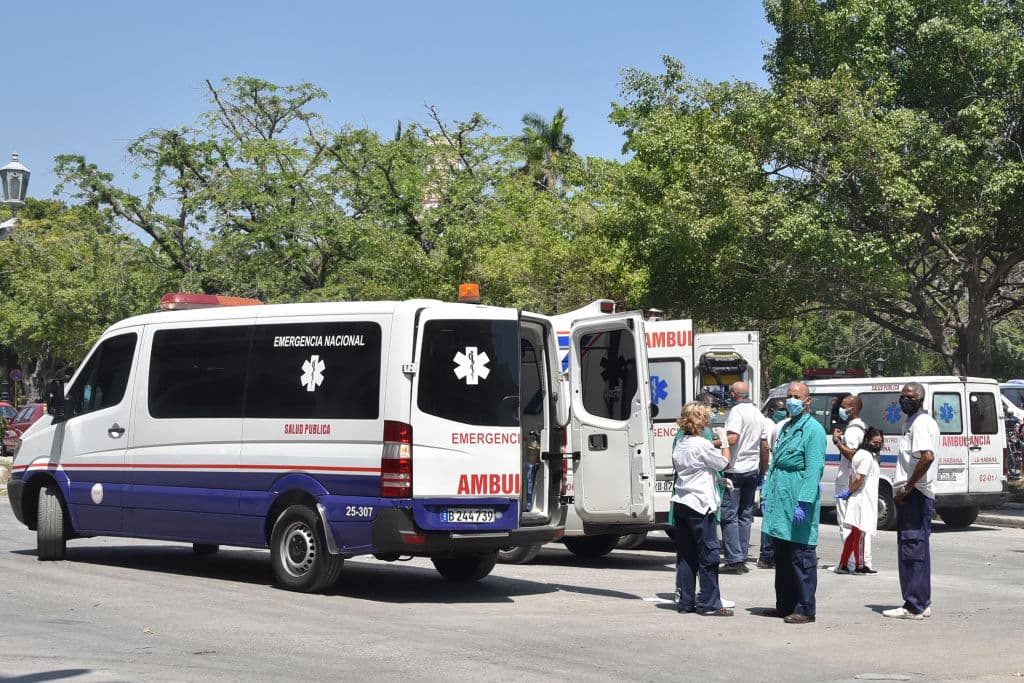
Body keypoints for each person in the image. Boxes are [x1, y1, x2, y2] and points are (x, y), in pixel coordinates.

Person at [761, 381, 826, 624]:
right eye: (789, 396)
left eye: (797, 396)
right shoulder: (787, 427)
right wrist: (766, 491)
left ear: (808, 401)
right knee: (783, 556)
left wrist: (805, 501)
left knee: (801, 556)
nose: (792, 400)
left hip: (798, 496)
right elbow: (775, 462)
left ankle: (805, 607)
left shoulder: (814, 431)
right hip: (780, 496)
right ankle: (784, 604)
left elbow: (814, 468)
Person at [671, 401, 733, 616]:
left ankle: (686, 602)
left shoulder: (681, 443)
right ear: (701, 421)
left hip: (682, 502)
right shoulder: (701, 444)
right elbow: (725, 463)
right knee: (709, 554)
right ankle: (709, 603)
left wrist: (715, 480)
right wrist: (724, 441)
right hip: (700, 505)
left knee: (686, 556)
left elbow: (697, 469)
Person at [883, 381, 939, 620]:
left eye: (910, 396)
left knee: (912, 549)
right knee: (916, 549)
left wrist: (907, 487)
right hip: (915, 493)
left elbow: (926, 457)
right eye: (902, 396)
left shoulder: (921, 423)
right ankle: (921, 602)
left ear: (920, 399)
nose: (904, 400)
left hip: (916, 495)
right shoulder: (912, 422)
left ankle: (913, 605)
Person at [718, 381, 769, 574]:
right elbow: (765, 447)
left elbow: (732, 439)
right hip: (752, 471)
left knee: (729, 515)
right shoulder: (758, 413)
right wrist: (762, 473)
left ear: (732, 394)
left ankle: (734, 560)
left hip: (735, 471)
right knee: (745, 516)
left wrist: (709, 443)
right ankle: (741, 556)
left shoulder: (737, 412)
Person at [828, 427, 882, 574]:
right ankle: (860, 565)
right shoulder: (866, 456)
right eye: (875, 442)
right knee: (860, 534)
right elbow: (859, 478)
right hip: (862, 499)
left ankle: (843, 564)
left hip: (860, 497)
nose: (878, 445)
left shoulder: (863, 454)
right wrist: (850, 491)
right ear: (866, 441)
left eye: (880, 443)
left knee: (853, 535)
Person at [831, 394, 871, 573]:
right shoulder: (861, 427)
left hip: (847, 481)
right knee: (858, 524)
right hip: (852, 482)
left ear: (852, 409)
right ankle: (860, 561)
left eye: (844, 406)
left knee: (846, 522)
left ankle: (851, 562)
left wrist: (838, 442)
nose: (841, 409)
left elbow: (853, 455)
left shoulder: (854, 430)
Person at [755, 397, 788, 570]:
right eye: (781, 409)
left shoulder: (781, 425)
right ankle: (766, 555)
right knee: (770, 517)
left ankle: (773, 554)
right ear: (772, 410)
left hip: (775, 475)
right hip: (769, 476)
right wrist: (764, 473)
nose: (784, 412)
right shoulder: (769, 425)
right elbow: (765, 449)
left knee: (776, 517)